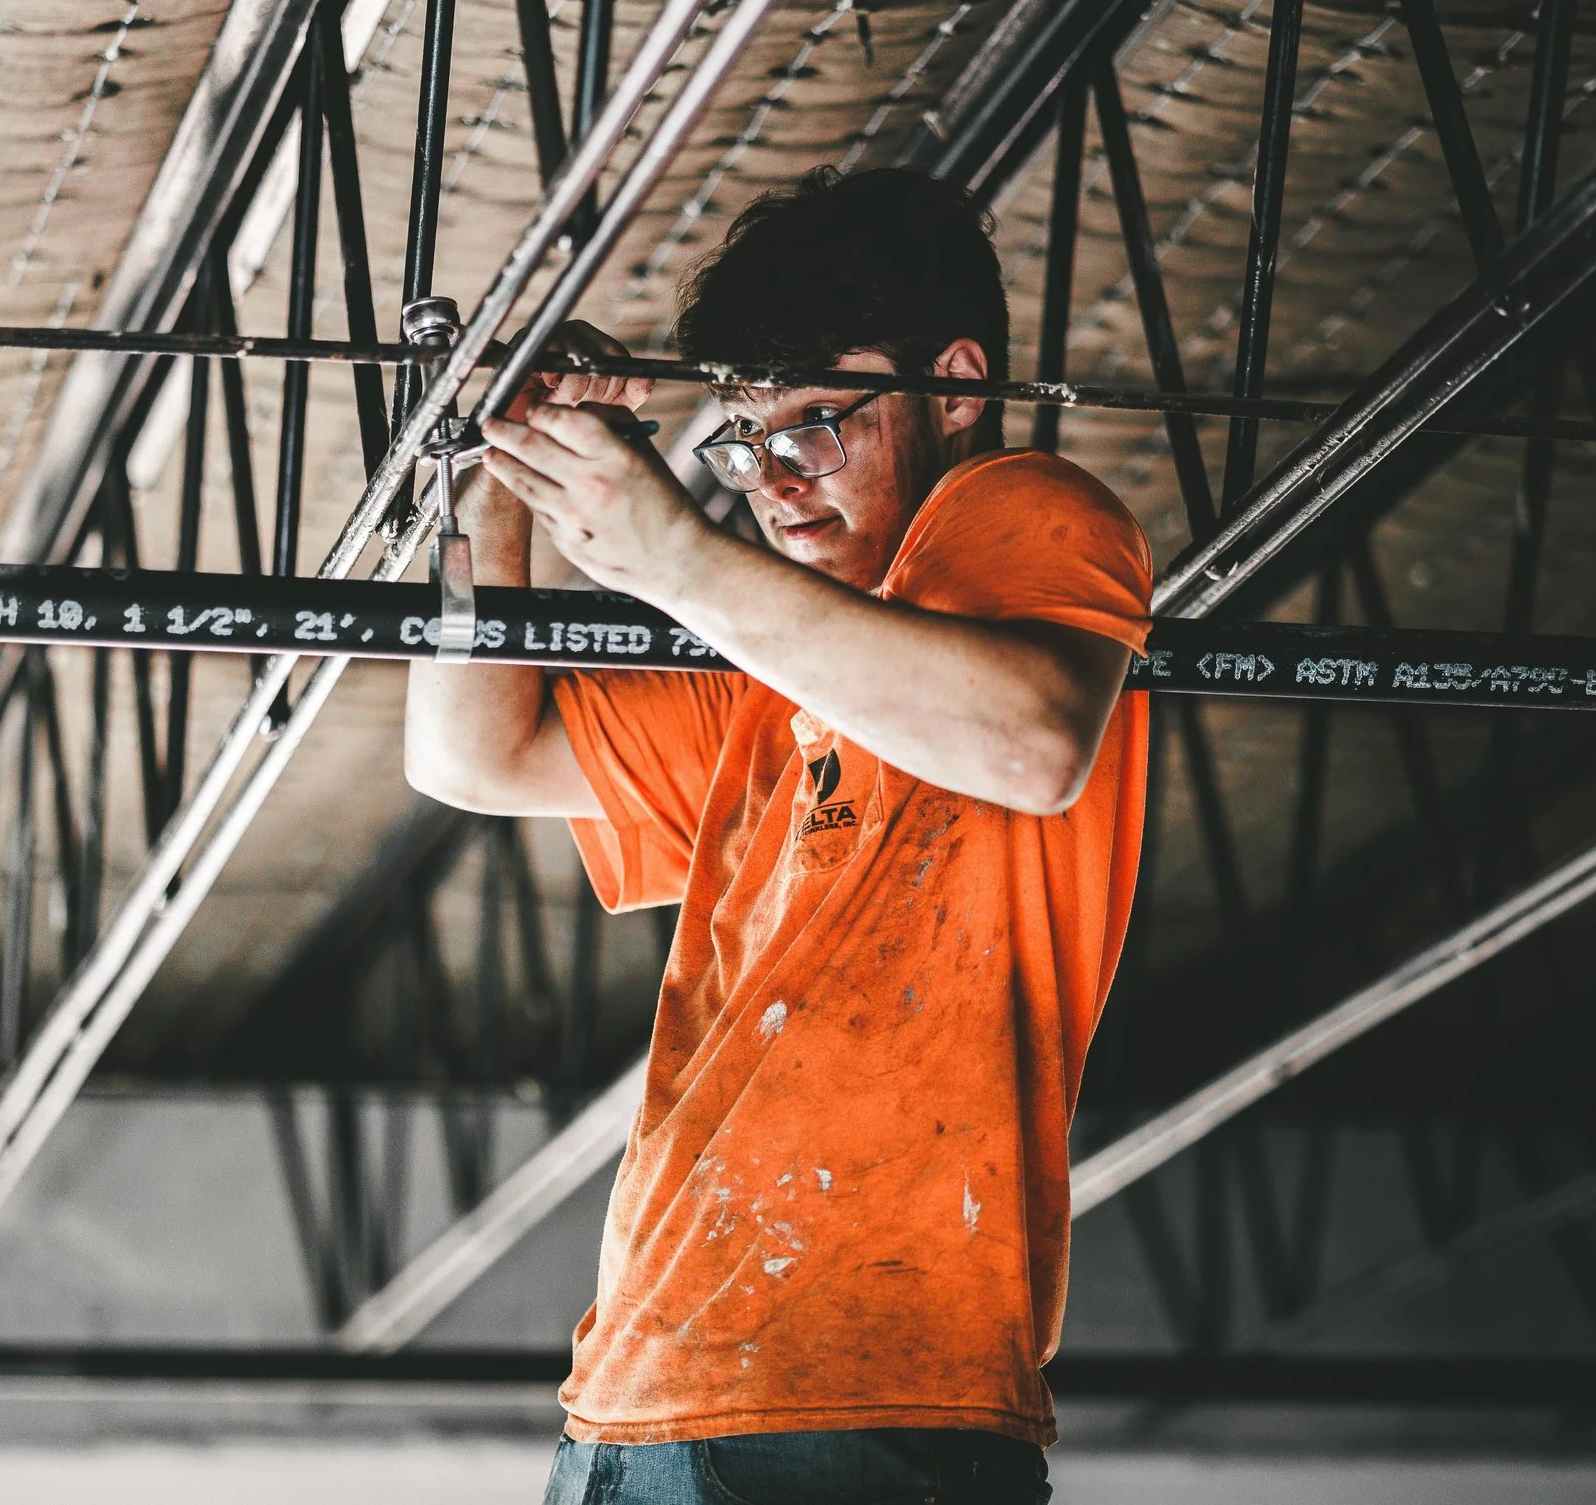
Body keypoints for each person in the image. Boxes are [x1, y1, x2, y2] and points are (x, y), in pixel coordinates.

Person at [405, 167, 1153, 1505]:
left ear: (957, 384)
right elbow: (473, 753)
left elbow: (1033, 742)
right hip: (633, 1397)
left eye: (814, 423)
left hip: (871, 1394)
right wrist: (501, 484)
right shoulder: (767, 682)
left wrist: (676, 559)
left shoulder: (1021, 516)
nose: (777, 483)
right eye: (749, 440)